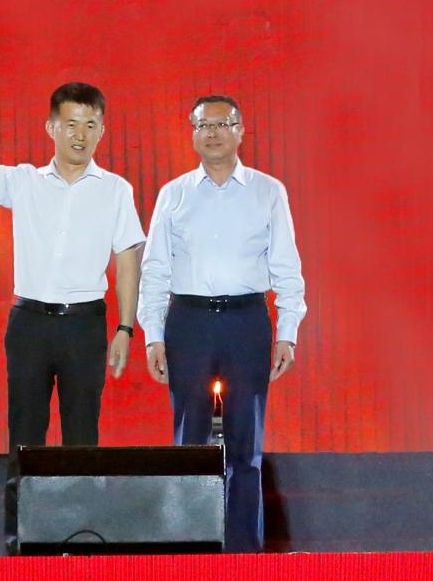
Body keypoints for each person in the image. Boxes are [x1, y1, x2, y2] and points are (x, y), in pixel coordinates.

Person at [0, 64, 145, 449]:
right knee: (25, 437)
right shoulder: (25, 181)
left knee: (82, 439)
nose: (81, 135)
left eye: (91, 125)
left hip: (84, 325)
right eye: (71, 124)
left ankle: (79, 493)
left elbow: (127, 260)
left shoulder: (116, 190)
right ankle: (22, 493)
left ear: (102, 130)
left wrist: (125, 329)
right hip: (29, 324)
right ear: (51, 128)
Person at [137, 95, 306, 553]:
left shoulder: (268, 191)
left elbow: (287, 267)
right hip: (188, 322)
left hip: (246, 322)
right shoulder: (174, 194)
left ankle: (244, 554)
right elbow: (155, 270)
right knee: (189, 441)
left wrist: (287, 332)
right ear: (192, 133)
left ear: (240, 131)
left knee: (245, 445)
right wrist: (153, 335)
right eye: (202, 125)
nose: (212, 133)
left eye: (222, 124)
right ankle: (188, 546)